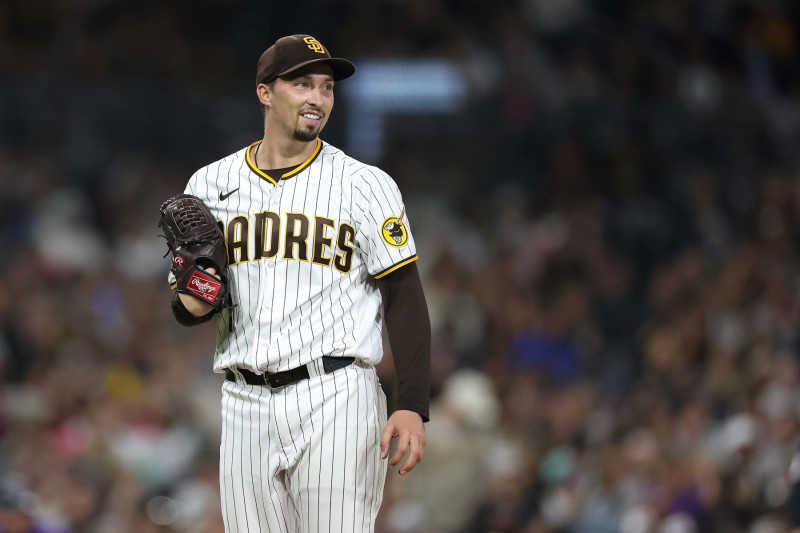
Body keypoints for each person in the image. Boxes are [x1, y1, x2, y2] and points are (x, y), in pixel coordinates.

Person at [166, 34, 431, 533]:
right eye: (302, 83)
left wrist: (413, 403)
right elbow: (189, 308)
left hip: (337, 394)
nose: (317, 97)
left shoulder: (365, 184)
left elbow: (405, 298)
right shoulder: (208, 184)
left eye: (327, 87)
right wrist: (196, 294)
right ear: (265, 93)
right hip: (244, 400)